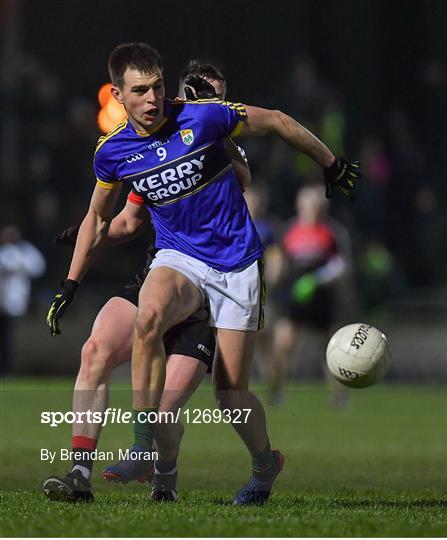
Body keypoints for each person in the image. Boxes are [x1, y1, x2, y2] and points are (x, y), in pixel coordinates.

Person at [46, 43, 360, 505]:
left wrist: (329, 163)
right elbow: (99, 219)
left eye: (156, 87)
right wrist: (71, 282)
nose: (152, 99)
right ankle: (140, 446)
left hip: (236, 264)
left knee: (230, 395)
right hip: (179, 257)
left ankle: (264, 464)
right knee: (148, 317)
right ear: (118, 95)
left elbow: (275, 120)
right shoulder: (113, 152)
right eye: (139, 91)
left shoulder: (202, 119)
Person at [43, 62, 248, 503]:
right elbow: (128, 221)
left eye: (217, 96)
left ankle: (164, 477)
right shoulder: (151, 147)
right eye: (202, 94)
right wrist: (85, 240)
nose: (210, 102)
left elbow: (244, 181)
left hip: (207, 294)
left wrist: (220, 134)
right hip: (160, 279)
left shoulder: (218, 140)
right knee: (94, 349)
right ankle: (80, 473)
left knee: (165, 407)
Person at [269, 185, 351, 405]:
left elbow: (341, 267)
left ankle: (339, 395)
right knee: (283, 343)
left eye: (317, 205)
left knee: (329, 349)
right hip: (294, 298)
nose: (312, 209)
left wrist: (317, 280)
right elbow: (278, 261)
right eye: (308, 204)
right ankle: (276, 391)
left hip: (322, 298)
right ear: (299, 206)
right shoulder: (289, 230)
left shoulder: (333, 232)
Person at [0, 225, 46, 374]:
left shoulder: (25, 251)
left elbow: (38, 267)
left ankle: (10, 368)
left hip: (17, 301)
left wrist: (19, 264)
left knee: (12, 337)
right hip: (3, 300)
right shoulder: (3, 252)